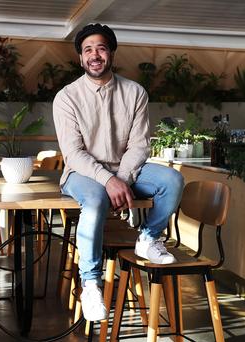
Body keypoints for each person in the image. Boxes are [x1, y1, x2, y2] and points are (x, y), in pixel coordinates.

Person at [53, 24, 184, 321]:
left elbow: (139, 145)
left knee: (172, 180)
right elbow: (73, 153)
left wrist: (121, 180)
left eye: (100, 48)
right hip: (81, 173)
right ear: (81, 59)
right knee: (97, 199)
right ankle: (90, 283)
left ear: (111, 53)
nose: (94, 55)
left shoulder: (135, 92)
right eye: (88, 50)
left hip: (125, 170)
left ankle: (148, 238)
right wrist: (108, 181)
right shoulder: (66, 97)